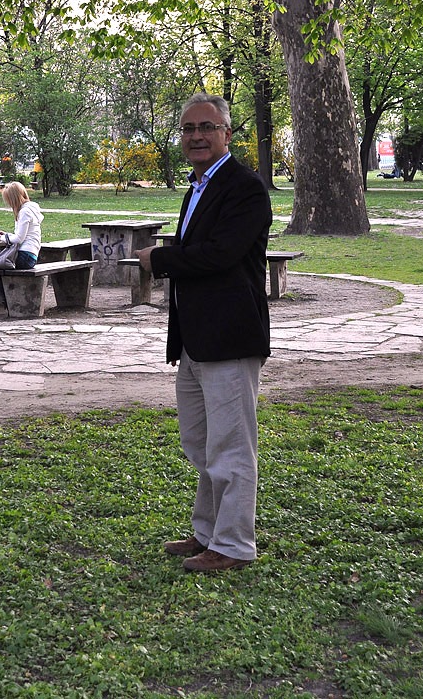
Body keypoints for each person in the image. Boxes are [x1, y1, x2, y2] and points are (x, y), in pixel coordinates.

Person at [132, 92, 272, 573]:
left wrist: (159, 259)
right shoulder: (196, 187)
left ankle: (233, 546)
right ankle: (208, 532)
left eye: (206, 127)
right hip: (195, 339)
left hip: (230, 338)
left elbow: (220, 254)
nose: (196, 136)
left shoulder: (245, 188)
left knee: (231, 447)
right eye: (189, 128)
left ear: (227, 134)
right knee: (200, 443)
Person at [0, 181, 42, 302]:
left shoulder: (24, 212)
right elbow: (23, 235)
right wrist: (6, 235)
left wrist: (0, 238)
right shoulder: (30, 208)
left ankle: (9, 299)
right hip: (30, 255)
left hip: (24, 256)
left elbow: (19, 239)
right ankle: (9, 298)